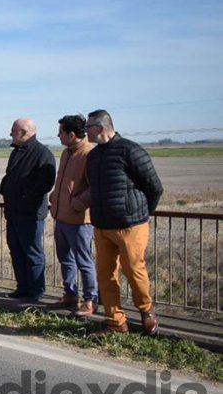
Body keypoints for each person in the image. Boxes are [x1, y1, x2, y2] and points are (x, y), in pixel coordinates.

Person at [86, 109, 164, 335]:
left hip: (130, 225)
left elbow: (155, 187)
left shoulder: (130, 150)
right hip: (102, 225)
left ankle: (146, 311)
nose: (85, 132)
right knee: (105, 274)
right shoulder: (94, 156)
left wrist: (141, 213)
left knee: (134, 270)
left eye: (88, 128)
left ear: (101, 128)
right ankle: (115, 322)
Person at [0, 117, 56, 302]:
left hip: (30, 214)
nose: (11, 135)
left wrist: (24, 200)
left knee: (32, 253)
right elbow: (10, 176)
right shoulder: (16, 152)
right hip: (13, 212)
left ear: (23, 132)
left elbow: (45, 183)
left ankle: (36, 291)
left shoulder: (42, 153)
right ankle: (22, 287)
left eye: (13, 132)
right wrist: (5, 189)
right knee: (16, 251)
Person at [48, 115, 98, 316]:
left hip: (79, 219)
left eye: (60, 132)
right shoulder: (66, 153)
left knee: (83, 260)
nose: (58, 136)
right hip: (61, 215)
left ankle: (90, 299)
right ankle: (70, 294)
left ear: (71, 134)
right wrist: (55, 196)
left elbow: (95, 186)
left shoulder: (89, 153)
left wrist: (78, 203)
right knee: (65, 258)